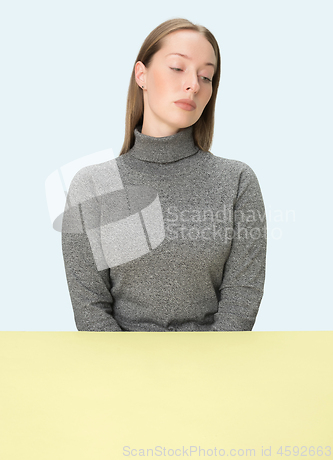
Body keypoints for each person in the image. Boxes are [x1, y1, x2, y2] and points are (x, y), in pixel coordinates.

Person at [61, 18, 267, 332]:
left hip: (213, 370)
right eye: (177, 68)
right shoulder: (91, 186)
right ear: (141, 75)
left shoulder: (237, 181)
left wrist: (204, 372)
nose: (194, 85)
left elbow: (241, 300)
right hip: (119, 373)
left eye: (206, 76)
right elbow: (91, 310)